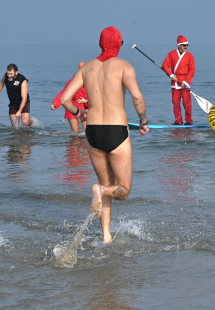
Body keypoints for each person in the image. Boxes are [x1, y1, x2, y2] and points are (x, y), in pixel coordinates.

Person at [60, 26, 149, 243]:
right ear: (118, 43)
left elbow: (65, 99)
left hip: (92, 132)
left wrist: (79, 113)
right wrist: (143, 121)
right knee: (123, 190)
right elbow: (137, 97)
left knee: (105, 185)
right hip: (116, 130)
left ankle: (106, 236)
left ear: (101, 43)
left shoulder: (86, 68)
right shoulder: (124, 66)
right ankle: (100, 193)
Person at [162, 35, 195, 125]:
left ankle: (189, 121)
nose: (186, 47)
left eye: (187, 45)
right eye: (184, 45)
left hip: (185, 82)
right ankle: (178, 121)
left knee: (187, 103)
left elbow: (192, 70)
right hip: (175, 82)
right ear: (179, 45)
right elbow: (165, 65)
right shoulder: (171, 54)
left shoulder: (190, 56)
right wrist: (171, 75)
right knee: (176, 103)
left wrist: (186, 82)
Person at [52, 62, 89, 132]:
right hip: (71, 107)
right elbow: (63, 93)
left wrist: (86, 101)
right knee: (75, 131)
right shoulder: (72, 82)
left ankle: (85, 142)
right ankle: (74, 143)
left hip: (84, 106)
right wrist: (55, 103)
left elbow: (95, 95)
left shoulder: (90, 82)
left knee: (87, 129)